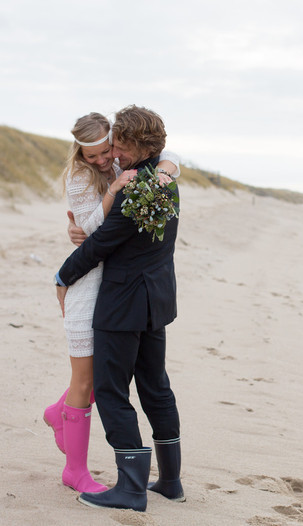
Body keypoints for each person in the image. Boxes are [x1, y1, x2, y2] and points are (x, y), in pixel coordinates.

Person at [54, 105, 184, 512]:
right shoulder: (165, 179)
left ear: (135, 144)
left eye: (119, 145)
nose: (114, 153)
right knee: (155, 387)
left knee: (111, 392)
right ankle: (170, 481)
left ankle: (130, 488)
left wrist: (63, 276)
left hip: (123, 304)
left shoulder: (136, 188)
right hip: (156, 301)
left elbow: (100, 244)